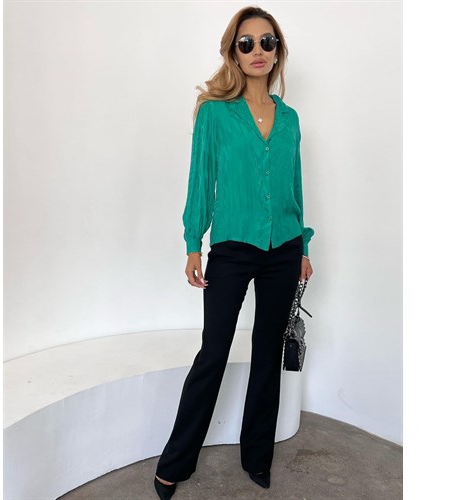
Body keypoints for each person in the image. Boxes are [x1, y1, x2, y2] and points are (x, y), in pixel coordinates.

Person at [153, 6, 314, 499]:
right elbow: (201, 180)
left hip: (284, 249)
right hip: (232, 248)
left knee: (267, 352)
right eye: (247, 43)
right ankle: (175, 461)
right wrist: (192, 244)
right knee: (214, 352)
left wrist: (303, 244)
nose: (257, 51)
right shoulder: (215, 113)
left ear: (278, 51)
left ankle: (257, 457)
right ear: (233, 52)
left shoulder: (289, 119)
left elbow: (293, 187)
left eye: (267, 42)